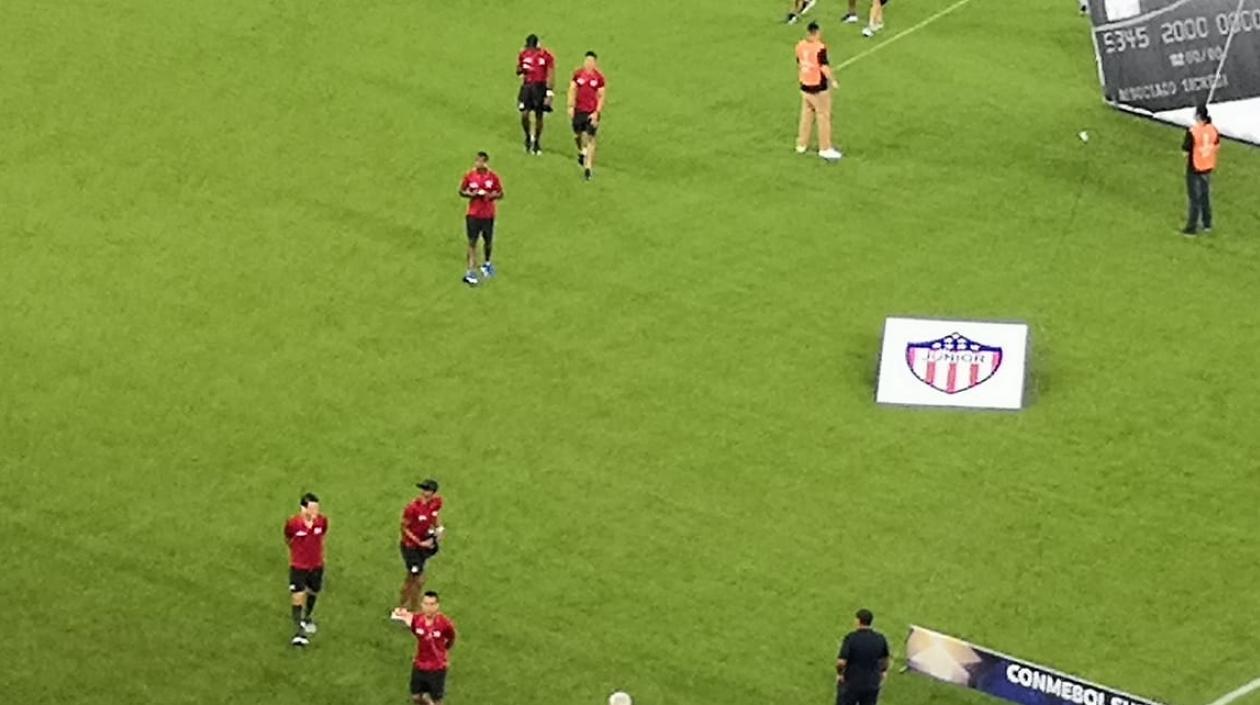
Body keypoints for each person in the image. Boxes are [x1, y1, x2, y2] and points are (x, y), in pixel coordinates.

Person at [391, 591, 457, 705]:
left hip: (437, 668)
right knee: (416, 697)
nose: (428, 608)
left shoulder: (444, 623)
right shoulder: (417, 620)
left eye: (432, 604)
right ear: (422, 605)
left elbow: (451, 637)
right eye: (426, 604)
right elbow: (414, 629)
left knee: (437, 700)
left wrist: (444, 650)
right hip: (420, 665)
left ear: (437, 605)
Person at [284, 492, 328, 647]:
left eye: (317, 508)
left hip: (316, 565)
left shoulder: (322, 521)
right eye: (312, 508)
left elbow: (322, 535)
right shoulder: (294, 523)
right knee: (298, 596)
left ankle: (307, 617)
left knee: (313, 592)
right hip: (299, 566)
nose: (316, 511)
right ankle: (298, 632)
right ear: (303, 509)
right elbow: (288, 538)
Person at [795, 22, 843, 161]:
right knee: (823, 116)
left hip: (805, 85)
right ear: (816, 33)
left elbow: (800, 62)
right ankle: (825, 148)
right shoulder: (819, 48)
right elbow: (824, 67)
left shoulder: (800, 46)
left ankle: (802, 144)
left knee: (806, 115)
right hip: (818, 87)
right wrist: (833, 81)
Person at [399, 480, 445, 611]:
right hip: (410, 548)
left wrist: (439, 529)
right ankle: (410, 609)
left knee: (411, 579)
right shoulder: (412, 508)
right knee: (418, 580)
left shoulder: (436, 503)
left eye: (427, 489)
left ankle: (403, 608)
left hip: (423, 548)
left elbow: (435, 516)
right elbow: (404, 528)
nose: (424, 492)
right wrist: (419, 542)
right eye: (423, 489)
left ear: (433, 492)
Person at [458, 153, 503, 285]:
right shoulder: (469, 176)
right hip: (473, 215)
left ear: (486, 163)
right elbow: (461, 191)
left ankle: (487, 264)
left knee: (488, 241)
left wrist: (490, 196)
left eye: (481, 161)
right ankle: (470, 271)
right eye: (477, 161)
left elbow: (500, 193)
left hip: (488, 215)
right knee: (472, 242)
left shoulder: (493, 177)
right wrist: (471, 194)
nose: (478, 164)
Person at [836, 609, 891, 705]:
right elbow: (884, 660)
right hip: (871, 683)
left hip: (851, 683)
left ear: (858, 621)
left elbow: (841, 662)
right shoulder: (880, 639)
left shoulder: (851, 638)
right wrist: (882, 672)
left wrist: (840, 674)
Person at [1181, 103, 1220, 236]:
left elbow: (1185, 151)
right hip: (1207, 166)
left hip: (1194, 167)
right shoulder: (1213, 129)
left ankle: (1191, 228)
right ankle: (1207, 223)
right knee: (1205, 196)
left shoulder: (1193, 131)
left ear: (1198, 116)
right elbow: (1216, 145)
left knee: (1194, 198)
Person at [567, 51, 607, 181]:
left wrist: (597, 112)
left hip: (591, 112)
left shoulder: (598, 78)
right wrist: (570, 106)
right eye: (587, 61)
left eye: (591, 61)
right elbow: (572, 90)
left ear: (595, 63)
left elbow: (601, 96)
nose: (588, 63)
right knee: (578, 135)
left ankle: (588, 168)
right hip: (579, 110)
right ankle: (582, 151)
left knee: (591, 137)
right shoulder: (578, 74)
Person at [517, 34, 556, 155]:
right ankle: (528, 137)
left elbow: (550, 73)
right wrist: (523, 69)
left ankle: (537, 141)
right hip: (527, 87)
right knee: (525, 114)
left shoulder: (545, 56)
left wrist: (549, 91)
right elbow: (518, 70)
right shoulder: (523, 55)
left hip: (540, 87)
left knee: (539, 115)